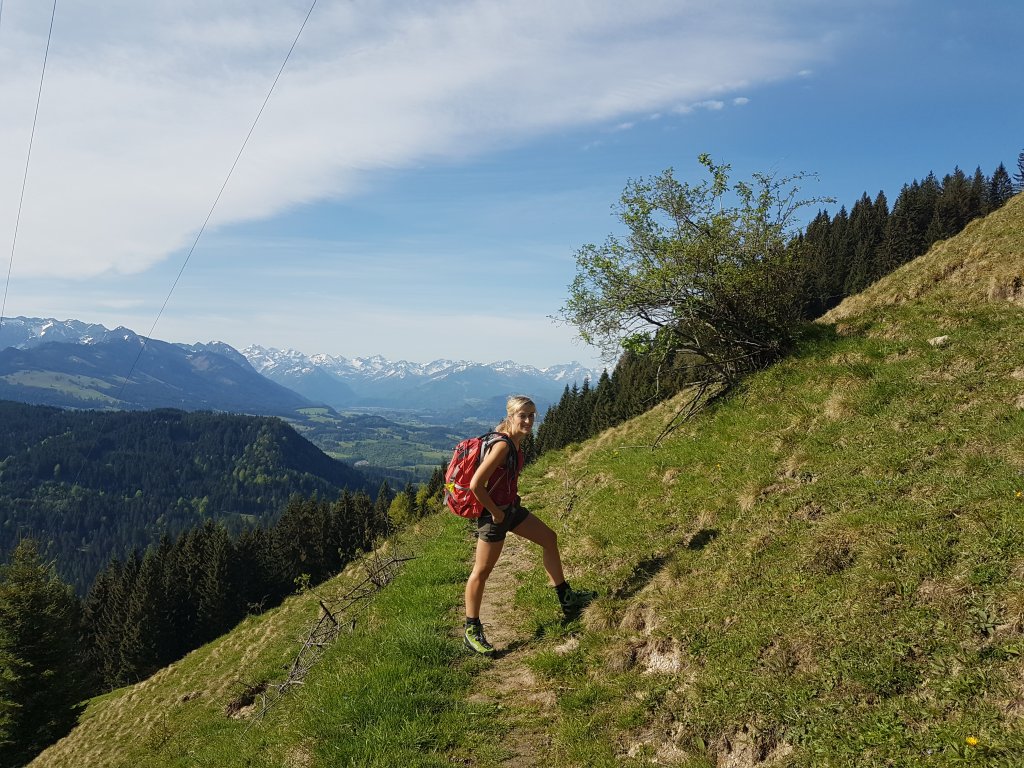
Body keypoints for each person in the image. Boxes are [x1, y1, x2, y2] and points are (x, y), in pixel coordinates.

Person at [463, 394, 596, 657]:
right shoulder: (502, 446)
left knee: (549, 538)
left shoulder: (513, 442)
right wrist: (495, 514)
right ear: (510, 416)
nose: (528, 420)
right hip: (496, 517)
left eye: (532, 415)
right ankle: (471, 630)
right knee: (481, 571)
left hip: (511, 510)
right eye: (522, 415)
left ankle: (566, 599)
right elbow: (476, 485)